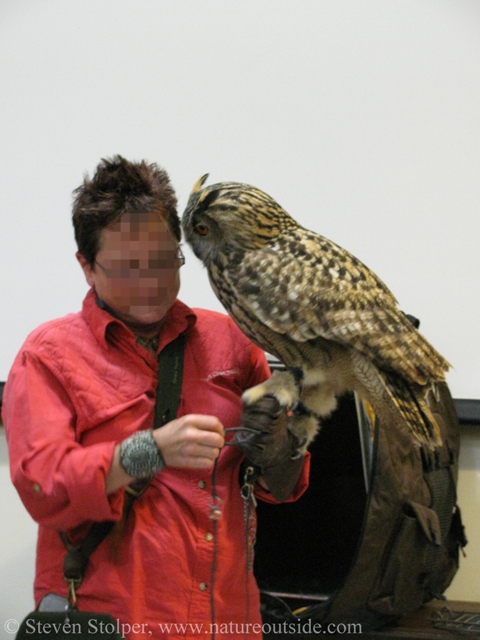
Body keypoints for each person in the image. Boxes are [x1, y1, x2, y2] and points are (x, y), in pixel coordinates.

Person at [3, 156, 310, 640]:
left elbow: (282, 487)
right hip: (113, 622)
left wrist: (281, 441)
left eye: (165, 260)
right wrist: (150, 451)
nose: (150, 282)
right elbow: (45, 487)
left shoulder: (231, 339)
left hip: (227, 620)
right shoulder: (48, 356)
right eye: (127, 267)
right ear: (86, 266)